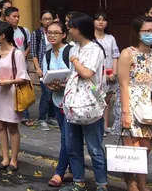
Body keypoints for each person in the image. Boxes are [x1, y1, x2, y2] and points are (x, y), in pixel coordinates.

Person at [62, 14, 108, 191]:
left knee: (94, 147)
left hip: (90, 105)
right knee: (72, 146)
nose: (69, 30)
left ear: (78, 29)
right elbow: (73, 76)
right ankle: (78, 181)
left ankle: (101, 183)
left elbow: (87, 73)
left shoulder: (95, 50)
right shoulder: (74, 48)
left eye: (70, 27)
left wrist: (75, 61)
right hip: (72, 103)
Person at [112, 16, 152, 191]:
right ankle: (131, 183)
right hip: (130, 103)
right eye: (147, 31)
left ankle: (142, 184)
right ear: (137, 32)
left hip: (148, 106)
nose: (150, 34)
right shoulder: (127, 53)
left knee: (145, 147)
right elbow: (123, 84)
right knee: (131, 148)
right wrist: (125, 113)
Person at [0, 22, 30, 172]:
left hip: (11, 92)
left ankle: (14, 159)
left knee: (12, 126)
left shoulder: (16, 53)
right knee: (0, 125)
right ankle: (4, 157)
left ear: (3, 36)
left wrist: (9, 82)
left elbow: (23, 77)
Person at [43, 22, 73, 188]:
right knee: (67, 137)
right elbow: (46, 77)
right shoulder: (47, 55)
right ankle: (73, 169)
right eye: (49, 32)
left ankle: (59, 172)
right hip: (57, 101)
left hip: (72, 103)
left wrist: (63, 85)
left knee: (66, 139)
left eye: (56, 32)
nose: (52, 35)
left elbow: (76, 77)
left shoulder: (69, 51)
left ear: (63, 34)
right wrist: (51, 86)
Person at [4, 6, 33, 126]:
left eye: (18, 16)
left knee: (23, 88)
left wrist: (24, 55)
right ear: (6, 18)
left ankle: (24, 115)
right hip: (9, 65)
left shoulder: (24, 30)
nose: (16, 19)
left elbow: (29, 44)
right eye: (14, 16)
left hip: (22, 65)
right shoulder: (4, 31)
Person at [93, 12, 120, 135]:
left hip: (110, 75)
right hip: (96, 75)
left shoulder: (111, 38)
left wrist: (114, 72)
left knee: (107, 100)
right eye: (98, 19)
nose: (101, 22)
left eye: (103, 20)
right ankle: (96, 126)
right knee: (97, 99)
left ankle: (104, 126)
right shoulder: (91, 39)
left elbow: (115, 56)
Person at [31, 10, 56, 131]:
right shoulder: (37, 33)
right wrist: (37, 67)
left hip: (54, 66)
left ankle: (52, 117)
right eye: (45, 19)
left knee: (54, 91)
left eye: (50, 18)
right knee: (46, 93)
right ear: (41, 20)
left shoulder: (56, 32)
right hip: (42, 66)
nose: (47, 21)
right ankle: (41, 118)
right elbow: (33, 52)